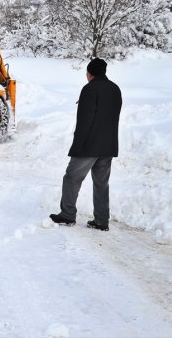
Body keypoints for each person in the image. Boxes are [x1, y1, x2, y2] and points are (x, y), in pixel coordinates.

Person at [50, 58, 122, 231]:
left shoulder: (89, 89)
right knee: (101, 184)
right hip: (108, 145)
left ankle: (67, 215)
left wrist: (78, 146)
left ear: (90, 73)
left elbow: (85, 121)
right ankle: (101, 221)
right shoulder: (115, 89)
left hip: (89, 145)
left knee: (71, 178)